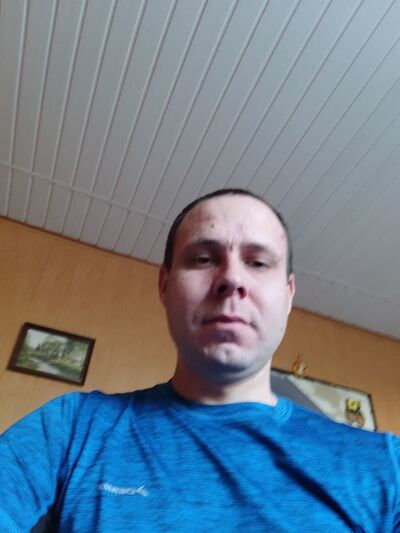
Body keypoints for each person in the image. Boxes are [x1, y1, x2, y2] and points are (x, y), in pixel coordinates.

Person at [0, 188, 399, 532]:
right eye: (203, 259)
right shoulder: (71, 425)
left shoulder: (387, 465)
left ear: (288, 294)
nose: (232, 279)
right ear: (164, 285)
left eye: (258, 263)